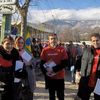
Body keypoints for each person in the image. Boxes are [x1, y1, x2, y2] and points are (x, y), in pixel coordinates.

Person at [40, 34, 68, 100]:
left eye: (55, 38)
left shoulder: (62, 49)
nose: (53, 40)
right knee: (51, 95)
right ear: (49, 40)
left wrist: (53, 69)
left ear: (57, 40)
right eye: (51, 39)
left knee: (60, 96)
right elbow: (42, 63)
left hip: (59, 77)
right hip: (50, 77)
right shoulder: (45, 50)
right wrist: (45, 72)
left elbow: (64, 63)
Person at [75, 33, 100, 100]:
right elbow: (78, 61)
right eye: (93, 41)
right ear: (91, 42)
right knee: (84, 98)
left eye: (97, 40)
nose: (95, 42)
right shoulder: (86, 51)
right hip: (86, 80)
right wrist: (77, 71)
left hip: (98, 82)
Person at [0, 35, 20, 100]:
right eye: (8, 43)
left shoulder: (16, 55)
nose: (10, 46)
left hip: (13, 86)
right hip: (2, 86)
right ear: (2, 44)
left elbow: (19, 70)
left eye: (12, 44)